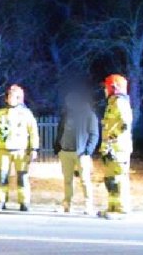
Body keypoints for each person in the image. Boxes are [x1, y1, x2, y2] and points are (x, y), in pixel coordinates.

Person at [0, 84, 40, 211]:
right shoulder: (0, 114)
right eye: (9, 95)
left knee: (22, 178)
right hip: (3, 151)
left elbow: (33, 132)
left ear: (19, 98)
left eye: (14, 96)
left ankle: (24, 202)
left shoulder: (26, 114)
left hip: (21, 151)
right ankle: (1, 201)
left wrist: (34, 149)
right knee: (2, 177)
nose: (10, 98)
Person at [55, 87, 100, 215]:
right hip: (65, 151)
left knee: (85, 180)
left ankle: (88, 205)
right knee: (67, 180)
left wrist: (88, 150)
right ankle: (67, 204)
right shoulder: (66, 114)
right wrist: (57, 146)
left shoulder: (88, 115)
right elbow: (60, 131)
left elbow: (94, 134)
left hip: (81, 153)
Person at [99, 74, 134, 219]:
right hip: (111, 147)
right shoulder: (112, 103)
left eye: (107, 87)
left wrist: (112, 140)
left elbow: (124, 124)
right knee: (110, 179)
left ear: (113, 87)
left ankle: (121, 210)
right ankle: (112, 207)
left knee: (119, 177)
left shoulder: (120, 102)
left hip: (118, 148)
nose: (105, 90)